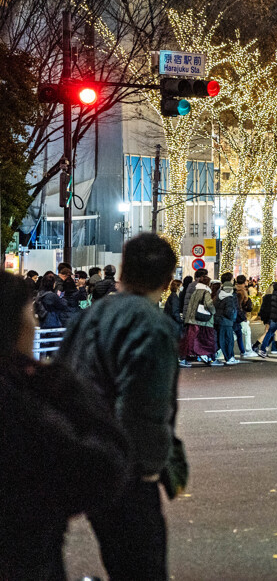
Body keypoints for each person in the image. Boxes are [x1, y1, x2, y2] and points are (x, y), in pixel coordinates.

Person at [54, 233, 187, 581]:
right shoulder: (151, 325)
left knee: (117, 558)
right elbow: (144, 405)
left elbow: (63, 381)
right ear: (168, 280)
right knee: (142, 566)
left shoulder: (91, 315)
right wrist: (147, 467)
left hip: (89, 457)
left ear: (123, 271)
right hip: (125, 468)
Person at [0, 271, 131, 581]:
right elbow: (103, 468)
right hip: (26, 561)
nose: (33, 323)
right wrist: (67, 390)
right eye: (29, 314)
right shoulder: (21, 400)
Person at [182, 273, 218, 367]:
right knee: (207, 339)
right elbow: (208, 305)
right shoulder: (205, 292)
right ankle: (207, 356)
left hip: (192, 318)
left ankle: (185, 358)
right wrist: (213, 311)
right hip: (202, 320)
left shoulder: (195, 291)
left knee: (190, 338)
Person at [214, 279, 240, 365]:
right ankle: (229, 357)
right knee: (229, 340)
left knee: (220, 340)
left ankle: (212, 355)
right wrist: (233, 318)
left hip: (218, 321)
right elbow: (229, 312)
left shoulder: (218, 296)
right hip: (226, 322)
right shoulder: (229, 298)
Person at [233, 275, 257, 357]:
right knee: (246, 332)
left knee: (236, 333)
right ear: (244, 282)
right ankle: (248, 350)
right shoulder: (242, 291)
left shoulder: (235, 289)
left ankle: (221, 350)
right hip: (241, 315)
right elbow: (239, 305)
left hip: (237, 315)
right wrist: (243, 316)